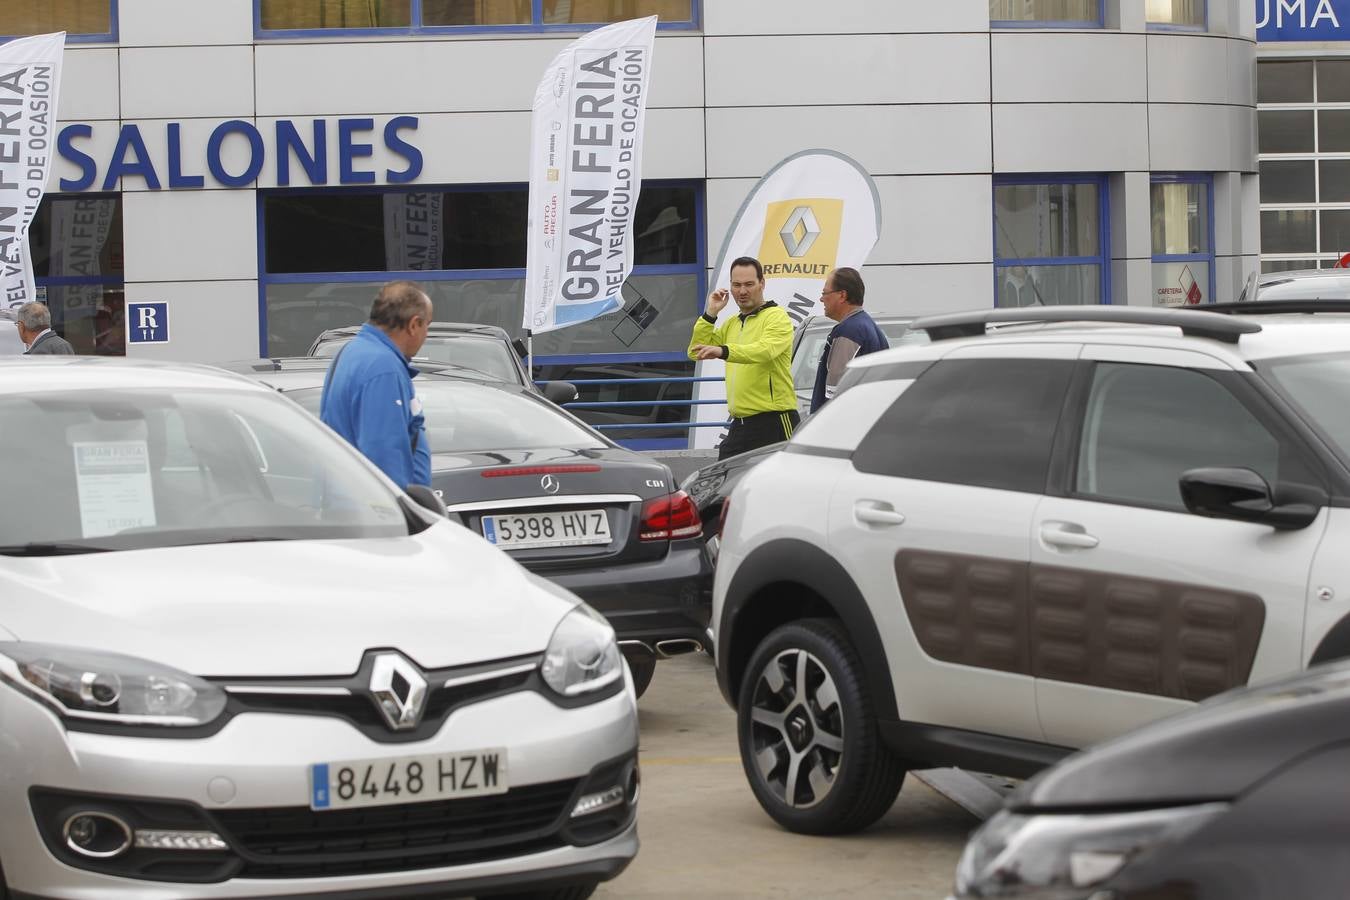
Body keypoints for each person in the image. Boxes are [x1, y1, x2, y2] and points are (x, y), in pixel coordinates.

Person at [320, 280, 431, 489]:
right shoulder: (383, 368)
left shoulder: (353, 352)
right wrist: (402, 513)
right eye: (427, 325)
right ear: (414, 325)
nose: (426, 334)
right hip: (379, 513)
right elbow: (383, 453)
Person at [689, 256, 797, 460]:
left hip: (774, 421)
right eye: (736, 285)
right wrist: (711, 314)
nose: (742, 291)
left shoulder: (777, 317)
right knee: (724, 485)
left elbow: (764, 350)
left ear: (762, 284)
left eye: (749, 284)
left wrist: (723, 351)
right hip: (740, 424)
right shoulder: (732, 322)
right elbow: (695, 351)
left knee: (778, 488)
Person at [810, 267, 889, 414]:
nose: (821, 299)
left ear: (842, 295)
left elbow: (835, 393)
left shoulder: (849, 331)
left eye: (824, 293)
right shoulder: (866, 325)